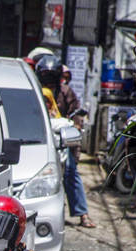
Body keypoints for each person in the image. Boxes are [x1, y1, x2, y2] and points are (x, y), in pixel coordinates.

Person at [35, 55, 94, 229]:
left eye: (52, 75)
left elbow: (76, 114)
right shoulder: (35, 89)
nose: (49, 80)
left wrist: (73, 126)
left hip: (61, 140)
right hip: (39, 140)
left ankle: (82, 213)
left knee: (70, 171)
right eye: (46, 75)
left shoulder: (66, 91)